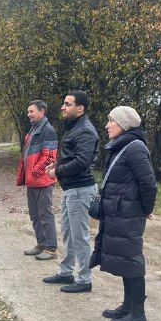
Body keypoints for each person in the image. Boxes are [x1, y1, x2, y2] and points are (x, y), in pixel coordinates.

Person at [90, 106, 157, 321]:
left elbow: (148, 183)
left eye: (112, 121)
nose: (107, 125)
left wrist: (146, 209)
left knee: (132, 261)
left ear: (125, 124)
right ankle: (128, 307)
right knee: (125, 261)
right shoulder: (124, 145)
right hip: (120, 213)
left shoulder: (135, 147)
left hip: (128, 214)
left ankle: (138, 315)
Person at [43, 90, 100, 292]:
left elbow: (82, 162)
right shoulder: (73, 127)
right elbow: (71, 157)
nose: (63, 107)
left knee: (79, 236)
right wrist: (55, 168)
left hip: (80, 190)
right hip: (70, 189)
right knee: (68, 233)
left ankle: (84, 279)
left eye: (68, 104)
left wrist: (57, 171)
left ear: (80, 108)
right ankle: (66, 272)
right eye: (64, 103)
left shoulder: (85, 130)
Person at [17, 100, 58, 260]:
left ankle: (51, 249)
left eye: (31, 111)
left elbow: (49, 156)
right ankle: (41, 244)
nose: (29, 115)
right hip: (32, 181)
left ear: (42, 112)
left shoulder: (47, 130)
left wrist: (35, 171)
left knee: (45, 215)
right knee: (34, 214)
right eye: (28, 112)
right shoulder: (33, 130)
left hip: (42, 180)